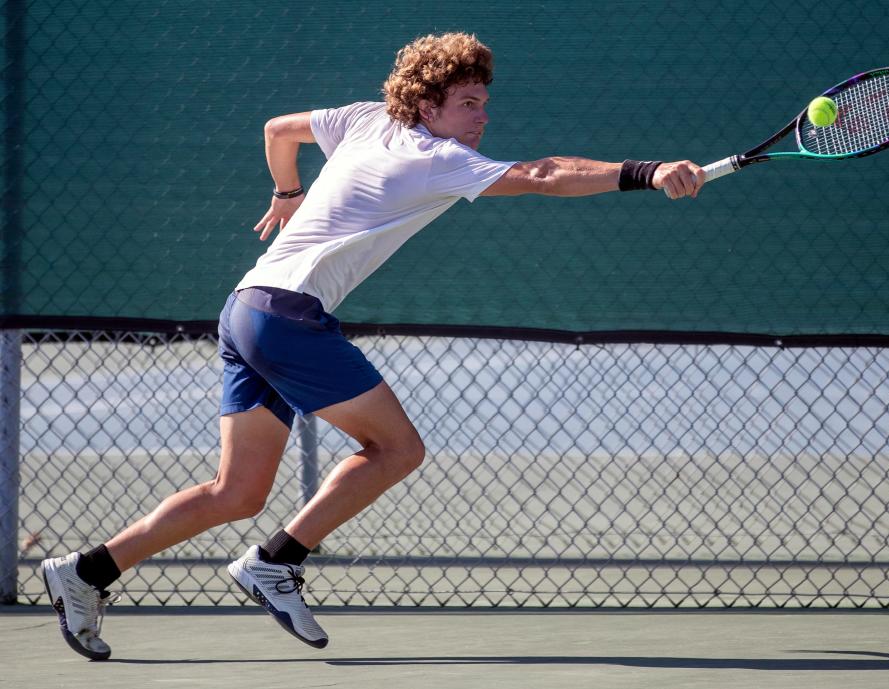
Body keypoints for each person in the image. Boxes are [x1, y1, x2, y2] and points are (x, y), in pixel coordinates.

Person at [41, 32, 704, 660]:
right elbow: (544, 172)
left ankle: (85, 570)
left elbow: (278, 130)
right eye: (468, 103)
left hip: (244, 307)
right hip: (289, 317)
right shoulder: (439, 159)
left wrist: (287, 192)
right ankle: (277, 559)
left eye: (485, 103)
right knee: (397, 448)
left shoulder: (363, 119)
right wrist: (647, 172)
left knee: (236, 491)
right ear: (427, 105)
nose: (481, 117)